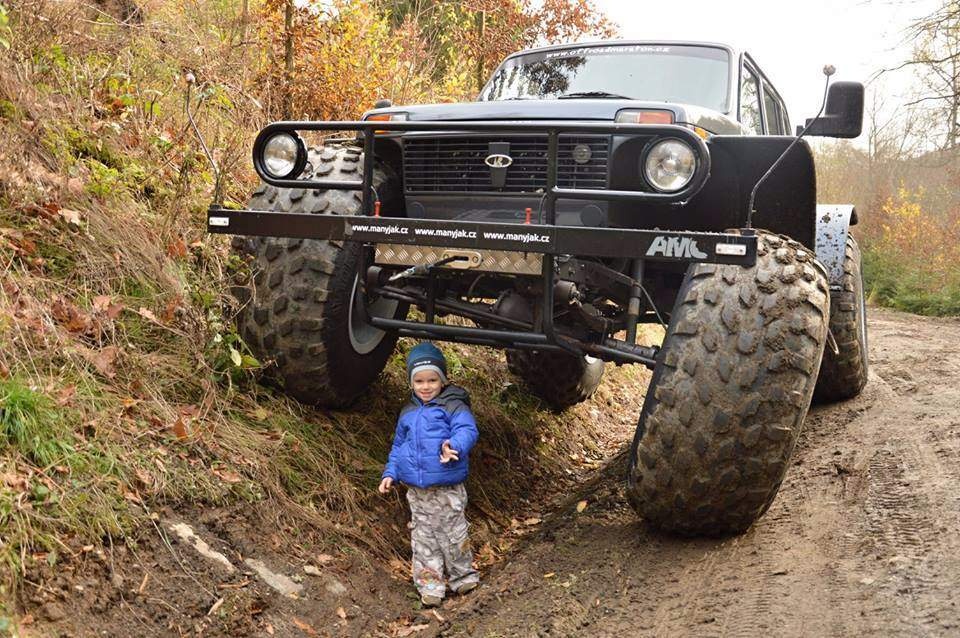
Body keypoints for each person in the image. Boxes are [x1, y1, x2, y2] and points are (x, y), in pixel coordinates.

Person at [379, 342, 480, 607]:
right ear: (411, 383)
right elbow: (399, 446)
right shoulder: (408, 412)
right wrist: (391, 472)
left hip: (447, 487)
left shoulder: (453, 405)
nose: (426, 386)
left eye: (432, 380)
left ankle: (463, 576)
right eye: (419, 381)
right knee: (424, 541)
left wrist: (454, 446)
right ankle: (431, 587)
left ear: (443, 380)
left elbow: (467, 430)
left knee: (453, 534)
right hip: (417, 491)